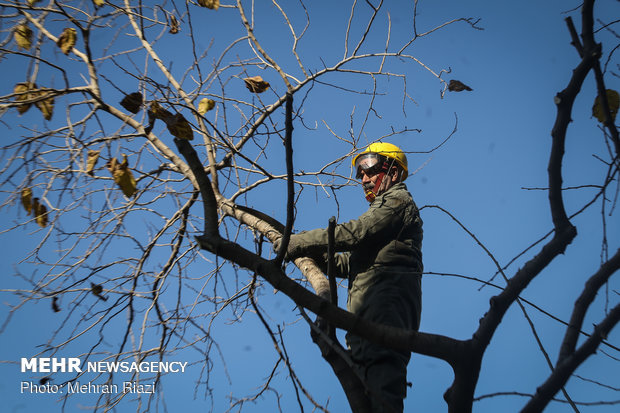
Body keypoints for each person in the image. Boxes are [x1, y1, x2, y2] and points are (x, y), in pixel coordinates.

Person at [276, 142, 423, 412]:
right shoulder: (382, 211)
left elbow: (357, 233)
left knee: (382, 397)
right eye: (361, 174)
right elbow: (349, 262)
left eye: (370, 170)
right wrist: (316, 253)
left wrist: (301, 242)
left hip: (385, 317)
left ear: (394, 170)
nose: (364, 179)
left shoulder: (399, 202)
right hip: (365, 324)